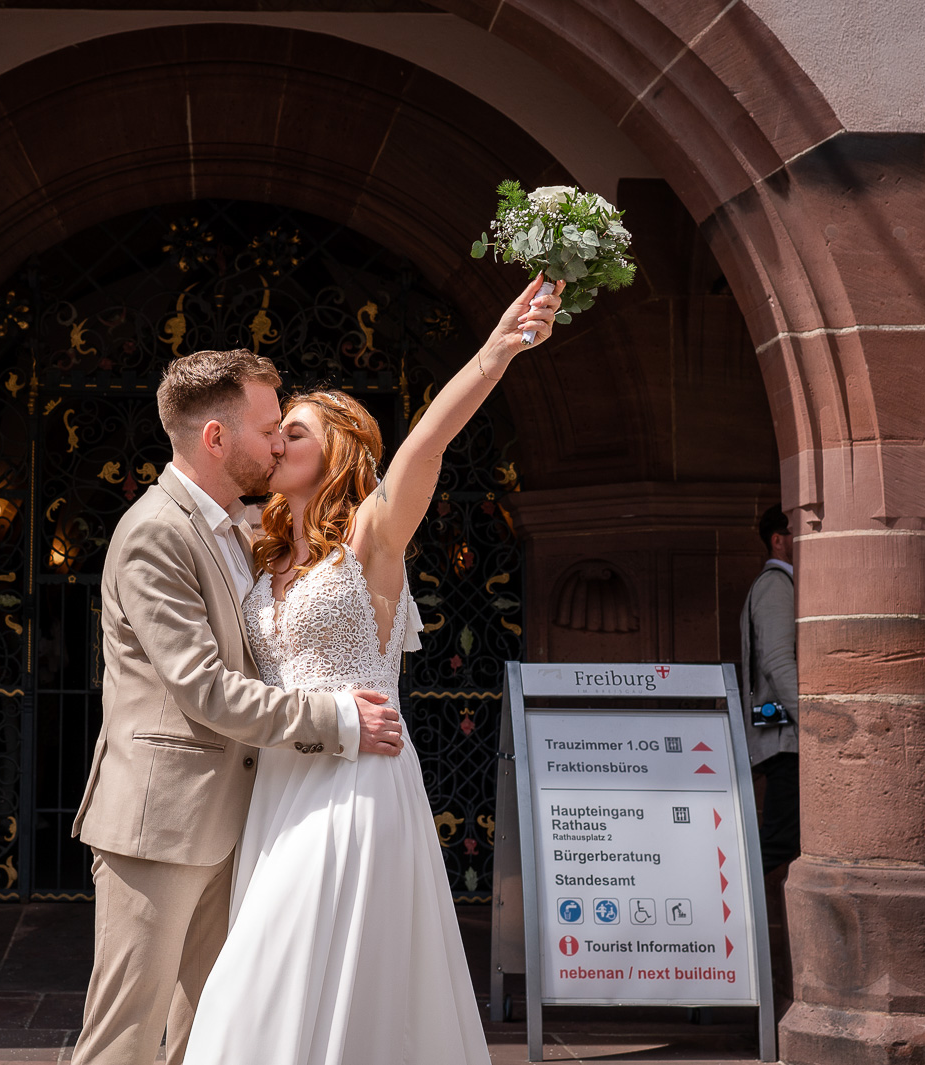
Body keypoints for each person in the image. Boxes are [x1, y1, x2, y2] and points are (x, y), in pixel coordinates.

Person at [181, 276, 562, 1065]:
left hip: (355, 788)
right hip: (279, 789)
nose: (275, 444)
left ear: (338, 450)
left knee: (280, 977)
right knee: (272, 977)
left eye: (292, 432)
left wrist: (500, 347)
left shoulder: (372, 537)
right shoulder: (261, 549)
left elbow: (428, 441)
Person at [69, 348, 409, 1065]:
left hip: (245, 821)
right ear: (216, 438)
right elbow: (203, 687)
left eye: (289, 431)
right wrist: (339, 717)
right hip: (159, 824)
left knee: (219, 1031)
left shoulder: (251, 530)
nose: (279, 442)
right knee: (126, 1032)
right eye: (267, 428)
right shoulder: (155, 533)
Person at [739, 503, 800, 875]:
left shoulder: (780, 584)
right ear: (778, 541)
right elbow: (778, 662)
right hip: (788, 740)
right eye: (798, 533)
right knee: (777, 846)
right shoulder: (777, 585)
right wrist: (816, 722)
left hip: (784, 735)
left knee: (782, 844)